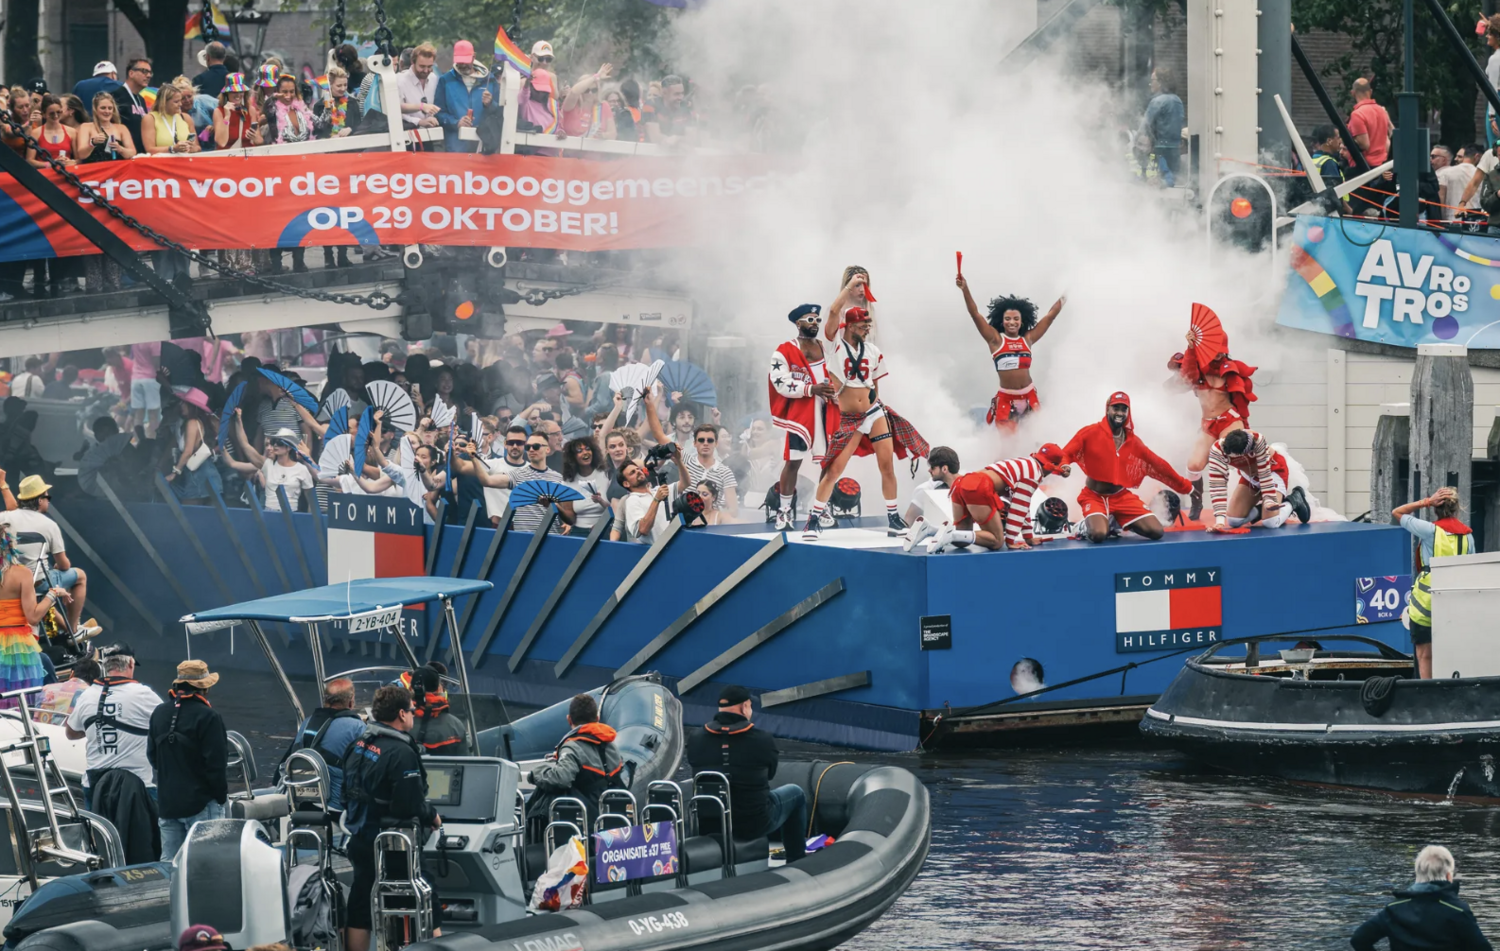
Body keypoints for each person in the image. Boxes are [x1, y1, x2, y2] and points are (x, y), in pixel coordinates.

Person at [805, 272, 929, 539]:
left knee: (887, 466)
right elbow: (834, 310)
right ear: (850, 326)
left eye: (867, 324)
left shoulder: (872, 351)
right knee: (835, 469)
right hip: (850, 416)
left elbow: (875, 384)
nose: (867, 328)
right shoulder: (834, 345)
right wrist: (850, 286)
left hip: (874, 412)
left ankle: (893, 518)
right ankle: (813, 518)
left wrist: (878, 407)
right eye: (863, 324)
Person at [341, 685, 442, 951]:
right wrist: (433, 816)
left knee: (361, 901)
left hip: (361, 838)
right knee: (427, 894)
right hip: (393, 844)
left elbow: (345, 792)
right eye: (411, 711)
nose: (414, 715)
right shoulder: (402, 752)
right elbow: (408, 804)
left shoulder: (359, 744)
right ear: (401, 713)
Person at [685, 685, 807, 864]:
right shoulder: (762, 739)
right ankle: (796, 861)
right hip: (753, 824)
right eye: (750, 705)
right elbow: (770, 774)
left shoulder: (695, 738)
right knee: (796, 793)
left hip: (710, 823)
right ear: (744, 707)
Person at [1060, 392, 1193, 543]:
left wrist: (1185, 486)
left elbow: (1158, 465)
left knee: (1156, 531)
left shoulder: (1133, 441)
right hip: (1094, 496)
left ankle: (1114, 521)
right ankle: (1084, 526)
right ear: (1108, 409)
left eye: (1124, 409)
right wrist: (1064, 466)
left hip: (1121, 497)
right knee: (1098, 535)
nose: (1120, 413)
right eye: (1116, 408)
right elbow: (1066, 453)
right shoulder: (1090, 432)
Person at [1169, 309, 1257, 521]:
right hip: (1208, 424)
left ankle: (1260, 487)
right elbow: (1187, 378)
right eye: (1214, 350)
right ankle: (1197, 500)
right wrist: (1190, 347)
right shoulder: (1196, 368)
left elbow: (1241, 400)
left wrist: (1243, 425)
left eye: (1221, 350)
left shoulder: (1231, 370)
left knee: (1236, 455)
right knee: (1194, 465)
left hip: (1229, 420)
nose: (1218, 354)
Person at [954, 275, 1064, 432]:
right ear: (1001, 320)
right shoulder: (995, 340)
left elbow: (1051, 315)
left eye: (1016, 319)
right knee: (1008, 444)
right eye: (1007, 319)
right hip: (1007, 400)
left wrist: (1068, 293)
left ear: (1022, 321)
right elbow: (975, 313)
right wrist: (965, 288)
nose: (1012, 322)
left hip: (1029, 397)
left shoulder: (1028, 339)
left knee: (1035, 438)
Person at [914, 444, 1071, 553]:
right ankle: (948, 534)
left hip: (961, 483)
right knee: (997, 541)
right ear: (1050, 466)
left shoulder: (1026, 463)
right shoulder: (1033, 473)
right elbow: (1019, 507)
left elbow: (1023, 506)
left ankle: (930, 530)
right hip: (977, 485)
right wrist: (1011, 541)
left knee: (962, 538)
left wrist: (1029, 537)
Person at [147, 660, 228, 861]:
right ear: (205, 688)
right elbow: (216, 765)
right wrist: (220, 797)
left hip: (168, 804)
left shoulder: (159, 713)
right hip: (201, 804)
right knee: (207, 863)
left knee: (170, 864)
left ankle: (169, 893)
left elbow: (152, 756)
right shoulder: (209, 716)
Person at [768, 303, 839, 530]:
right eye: (810, 320)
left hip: (827, 409)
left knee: (828, 462)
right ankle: (785, 510)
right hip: (801, 414)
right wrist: (811, 389)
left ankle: (821, 506)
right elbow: (779, 381)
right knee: (793, 462)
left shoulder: (825, 347)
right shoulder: (785, 349)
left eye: (817, 320)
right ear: (798, 323)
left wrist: (835, 392)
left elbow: (837, 373)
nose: (815, 324)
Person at [65, 643, 162, 807]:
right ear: (131, 663)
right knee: (142, 833)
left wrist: (96, 727)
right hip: (137, 787)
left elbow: (71, 733)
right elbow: (167, 724)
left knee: (99, 832)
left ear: (105, 665)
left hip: (96, 787)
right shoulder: (144, 695)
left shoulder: (88, 695)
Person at [1394, 486, 1472, 679]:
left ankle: (1426, 692)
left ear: (1436, 508)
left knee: (1424, 654)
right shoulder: (1467, 536)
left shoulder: (1430, 531)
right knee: (1452, 651)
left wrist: (1427, 501)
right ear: (1457, 508)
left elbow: (1397, 512)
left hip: (1425, 602)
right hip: (1455, 598)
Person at [1350, 845, 1492, 951]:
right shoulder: (1458, 911)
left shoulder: (1394, 908)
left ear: (1417, 875)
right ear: (1449, 876)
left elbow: (1359, 940)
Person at [525, 693, 622, 835]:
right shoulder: (611, 744)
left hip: (585, 818)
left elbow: (561, 778)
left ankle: (528, 837)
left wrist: (536, 773)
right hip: (613, 814)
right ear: (597, 719)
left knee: (547, 790)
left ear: (569, 719)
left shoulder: (572, 747)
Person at [0, 475, 88, 630]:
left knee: (45, 591)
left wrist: (4, 485)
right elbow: (64, 564)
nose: (48, 501)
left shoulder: (4, 518)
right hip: (37, 583)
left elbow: (12, 510)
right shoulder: (49, 525)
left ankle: (66, 630)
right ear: (39, 500)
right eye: (47, 497)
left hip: (8, 583)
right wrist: (57, 568)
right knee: (80, 576)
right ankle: (74, 629)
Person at [0, 526, 62, 707]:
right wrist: (53, 594)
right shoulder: (22, 573)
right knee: (23, 702)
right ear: (11, 546)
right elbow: (33, 616)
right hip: (19, 645)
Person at [1205, 428, 1311, 533]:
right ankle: (1261, 510)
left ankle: (1294, 500)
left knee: (1271, 522)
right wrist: (1219, 521)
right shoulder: (1217, 450)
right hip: (1249, 476)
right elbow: (1217, 485)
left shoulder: (1257, 440)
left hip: (1273, 471)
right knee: (1234, 521)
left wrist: (1269, 500)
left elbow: (1265, 474)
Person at [287, 677, 363, 814]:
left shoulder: (306, 724)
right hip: (336, 808)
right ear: (351, 701)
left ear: (326, 700)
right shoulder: (357, 727)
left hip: (301, 804)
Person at [226, 418, 315, 512]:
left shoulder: (301, 469)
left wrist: (312, 523)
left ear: (289, 447)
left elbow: (311, 500)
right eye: (274, 442)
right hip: (269, 513)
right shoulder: (267, 464)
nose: (275, 445)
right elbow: (245, 445)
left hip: (291, 515)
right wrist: (238, 420)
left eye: (280, 443)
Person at [434, 40, 494, 153]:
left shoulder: (490, 80)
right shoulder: (445, 80)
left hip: (483, 145)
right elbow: (438, 112)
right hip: (455, 146)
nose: (462, 65)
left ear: (474, 56)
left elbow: (499, 112)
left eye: (465, 61)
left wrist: (490, 103)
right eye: (459, 61)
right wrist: (456, 122)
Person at [1136, 65, 1184, 186]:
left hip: (1159, 150)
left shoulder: (1158, 101)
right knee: (1172, 181)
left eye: (1153, 80)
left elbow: (1145, 125)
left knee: (1155, 184)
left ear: (1161, 82)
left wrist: (1138, 140)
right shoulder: (1177, 100)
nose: (1151, 84)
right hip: (1175, 150)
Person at [410, 666, 471, 756]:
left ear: (411, 689)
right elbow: (466, 764)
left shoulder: (399, 722)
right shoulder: (456, 726)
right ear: (439, 689)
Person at [685, 424, 738, 519]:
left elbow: (733, 511)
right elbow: (661, 437)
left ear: (716, 443)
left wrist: (713, 516)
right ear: (694, 443)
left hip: (709, 525)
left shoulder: (725, 472)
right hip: (684, 520)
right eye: (701, 440)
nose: (705, 443)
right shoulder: (686, 462)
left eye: (710, 440)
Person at [140, 83, 198, 155]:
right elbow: (149, 149)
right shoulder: (150, 118)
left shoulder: (186, 118)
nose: (180, 104)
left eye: (180, 100)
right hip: (162, 164)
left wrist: (192, 148)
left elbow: (197, 147)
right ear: (164, 102)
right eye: (176, 102)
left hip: (185, 163)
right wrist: (172, 149)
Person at [559, 64, 615, 139]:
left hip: (595, 149)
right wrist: (596, 77)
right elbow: (574, 92)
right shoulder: (572, 105)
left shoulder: (603, 106)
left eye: (594, 90)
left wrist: (602, 136)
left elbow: (613, 134)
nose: (590, 93)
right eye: (586, 90)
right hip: (571, 149)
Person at [110, 58, 153, 152]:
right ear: (131, 73)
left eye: (150, 72)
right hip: (123, 155)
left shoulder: (141, 99)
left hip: (141, 153)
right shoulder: (115, 96)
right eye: (144, 71)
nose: (149, 75)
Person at [1348, 77, 1391, 167]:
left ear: (1353, 93)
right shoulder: (1382, 111)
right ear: (1371, 91)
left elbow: (1364, 145)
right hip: (1382, 165)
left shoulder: (1357, 114)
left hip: (1365, 168)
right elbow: (1387, 140)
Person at [397, 43, 440, 130]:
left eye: (429, 66)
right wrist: (419, 121)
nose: (426, 70)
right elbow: (396, 109)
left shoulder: (433, 78)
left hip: (432, 134)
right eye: (422, 66)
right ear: (413, 62)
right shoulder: (399, 80)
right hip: (408, 136)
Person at [643, 75, 694, 148]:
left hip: (679, 156)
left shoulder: (685, 106)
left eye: (682, 93)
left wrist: (677, 139)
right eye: (676, 94)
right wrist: (674, 141)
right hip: (650, 155)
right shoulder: (651, 104)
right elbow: (654, 137)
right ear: (664, 93)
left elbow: (692, 138)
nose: (680, 97)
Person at [213, 72, 261, 149]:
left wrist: (255, 138)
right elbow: (221, 142)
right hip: (228, 157)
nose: (238, 95)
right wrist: (227, 117)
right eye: (234, 92)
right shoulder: (219, 112)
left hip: (248, 156)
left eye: (241, 91)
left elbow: (259, 141)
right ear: (226, 93)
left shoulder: (250, 110)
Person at [26, 95, 76, 167]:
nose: (56, 116)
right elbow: (29, 160)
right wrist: (49, 164)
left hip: (66, 173)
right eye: (51, 113)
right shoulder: (36, 133)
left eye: (58, 112)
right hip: (44, 175)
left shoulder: (72, 132)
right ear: (43, 114)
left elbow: (79, 159)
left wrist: (71, 162)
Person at [1432, 145, 1471, 220]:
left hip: (1449, 218)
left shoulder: (1440, 174)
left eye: (1433, 156)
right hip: (1467, 217)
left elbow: (1441, 199)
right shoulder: (1471, 173)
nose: (1430, 159)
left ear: (1443, 160)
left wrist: (1440, 220)